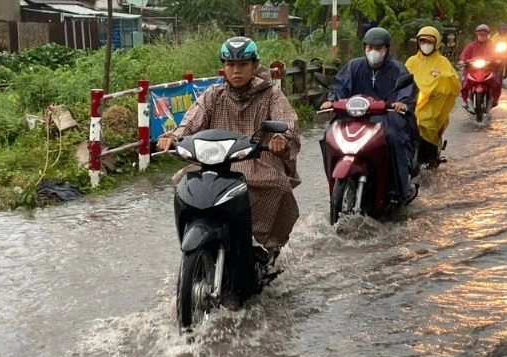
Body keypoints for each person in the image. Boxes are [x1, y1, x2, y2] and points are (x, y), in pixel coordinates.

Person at [156, 36, 301, 259]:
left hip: (257, 161)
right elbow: (190, 121)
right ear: (223, 68)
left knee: (278, 186)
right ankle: (195, 230)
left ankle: (265, 245)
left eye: (242, 64)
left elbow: (287, 121)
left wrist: (281, 138)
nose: (236, 71)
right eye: (230, 65)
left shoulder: (271, 94)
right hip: (214, 163)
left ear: (254, 65)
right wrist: (173, 137)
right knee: (182, 182)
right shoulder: (213, 95)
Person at [319, 27, 419, 203]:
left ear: (386, 49)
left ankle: (399, 188)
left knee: (394, 138)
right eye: (369, 47)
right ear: (364, 47)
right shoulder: (353, 66)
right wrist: (332, 99)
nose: (373, 52)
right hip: (354, 115)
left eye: (378, 48)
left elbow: (406, 90)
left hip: (387, 116)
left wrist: (401, 102)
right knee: (328, 136)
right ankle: (333, 183)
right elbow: (340, 86)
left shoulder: (397, 69)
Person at [404, 26, 460, 163]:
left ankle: (431, 156)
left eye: (429, 42)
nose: (425, 45)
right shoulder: (411, 61)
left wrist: (440, 86)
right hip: (413, 101)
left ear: (436, 43)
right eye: (422, 41)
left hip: (432, 104)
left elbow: (452, 82)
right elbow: (402, 78)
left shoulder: (443, 62)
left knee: (426, 124)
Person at [458, 24, 502, 108]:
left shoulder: (492, 45)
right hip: (472, 69)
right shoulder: (471, 45)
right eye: (480, 35)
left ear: (487, 35)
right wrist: (462, 60)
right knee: (465, 83)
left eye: (484, 35)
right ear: (477, 35)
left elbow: (497, 55)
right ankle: (466, 100)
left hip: (488, 69)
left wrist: (497, 59)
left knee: (496, 83)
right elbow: (464, 54)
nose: (481, 36)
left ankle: (495, 100)